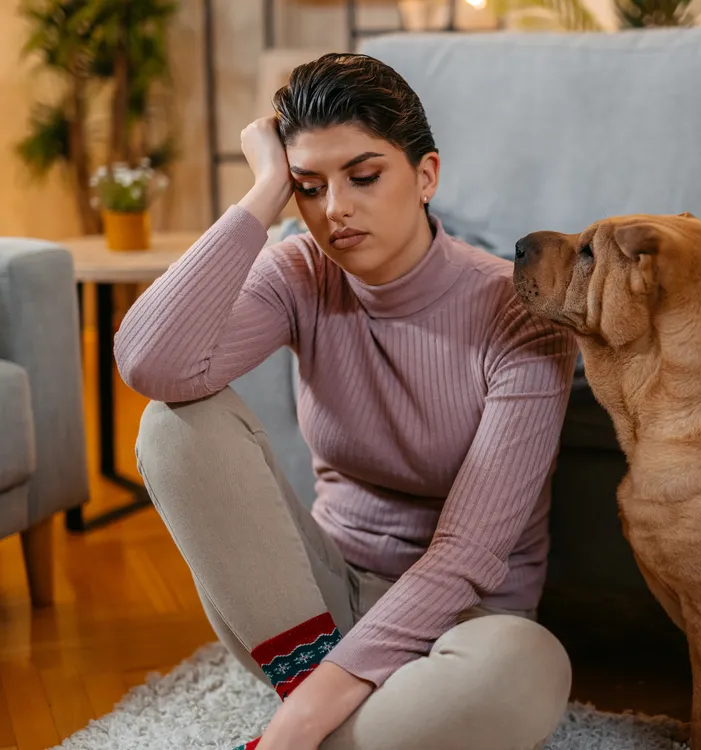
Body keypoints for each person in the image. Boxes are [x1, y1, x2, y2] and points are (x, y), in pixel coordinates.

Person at [114, 51, 578, 750]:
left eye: (364, 176)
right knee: (176, 424)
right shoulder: (301, 271)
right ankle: (329, 707)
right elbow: (153, 363)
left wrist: (299, 721)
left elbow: (470, 552)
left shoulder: (520, 312)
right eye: (308, 186)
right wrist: (262, 194)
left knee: (528, 668)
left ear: (426, 176)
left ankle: (306, 723)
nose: (334, 210)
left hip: (460, 625)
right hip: (310, 614)